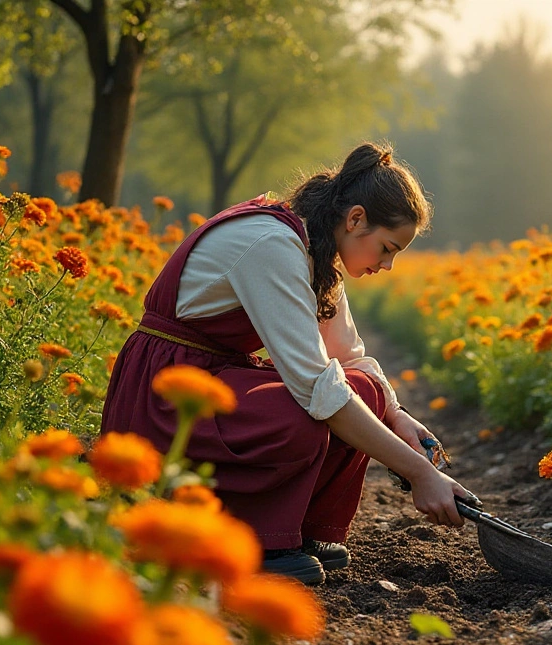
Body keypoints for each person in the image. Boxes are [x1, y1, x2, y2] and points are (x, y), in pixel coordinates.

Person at [100, 141, 474, 585]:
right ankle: (254, 536)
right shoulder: (274, 244)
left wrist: (397, 416)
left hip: (216, 377)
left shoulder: (317, 252)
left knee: (367, 392)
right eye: (387, 248)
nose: (388, 265)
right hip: (167, 394)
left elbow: (350, 356)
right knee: (307, 413)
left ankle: (300, 530)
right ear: (355, 219)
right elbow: (318, 387)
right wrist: (419, 474)